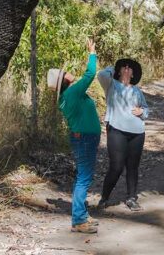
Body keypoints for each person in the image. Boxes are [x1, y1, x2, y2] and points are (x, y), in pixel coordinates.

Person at [47, 38, 101, 234]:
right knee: (83, 179)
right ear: (65, 80)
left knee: (83, 177)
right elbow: (90, 74)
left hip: (84, 137)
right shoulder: (73, 93)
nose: (68, 72)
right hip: (85, 138)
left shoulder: (69, 95)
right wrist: (92, 52)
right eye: (65, 73)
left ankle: (81, 214)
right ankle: (78, 220)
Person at [95, 58, 149, 212]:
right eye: (124, 67)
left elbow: (146, 109)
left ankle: (131, 198)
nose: (127, 68)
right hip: (116, 130)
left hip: (137, 132)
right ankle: (104, 197)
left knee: (132, 167)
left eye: (130, 67)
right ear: (118, 71)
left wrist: (142, 112)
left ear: (133, 74)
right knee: (116, 166)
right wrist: (114, 67)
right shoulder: (111, 85)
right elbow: (101, 75)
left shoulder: (137, 91)